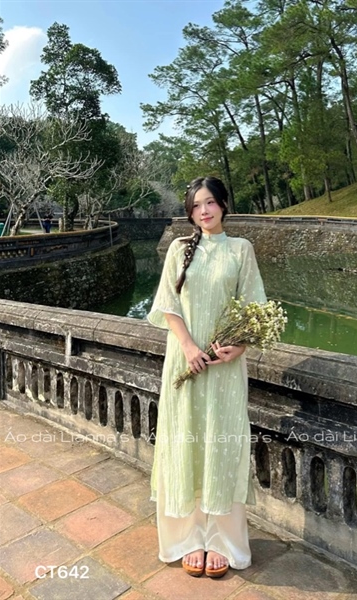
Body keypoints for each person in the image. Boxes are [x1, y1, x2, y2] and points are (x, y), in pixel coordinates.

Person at [147, 176, 267, 578]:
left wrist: (239, 346)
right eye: (197, 205)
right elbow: (168, 304)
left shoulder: (240, 249)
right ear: (189, 211)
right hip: (184, 361)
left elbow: (254, 307)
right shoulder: (178, 249)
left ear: (224, 205)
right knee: (185, 442)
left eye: (211, 202)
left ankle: (221, 540)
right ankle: (187, 538)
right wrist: (187, 347)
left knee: (220, 444)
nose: (204, 211)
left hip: (224, 369)